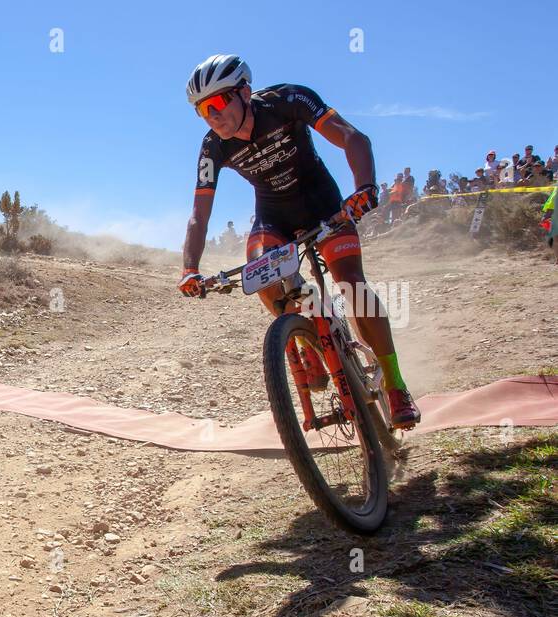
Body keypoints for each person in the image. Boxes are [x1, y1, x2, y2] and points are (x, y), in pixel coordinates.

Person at [177, 53, 420, 427]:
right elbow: (200, 214)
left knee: (352, 286)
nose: (212, 115)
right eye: (201, 110)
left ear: (245, 91)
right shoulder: (213, 147)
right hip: (272, 218)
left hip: (323, 206)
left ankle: (395, 385)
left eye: (218, 103)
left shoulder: (288, 100)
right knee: (265, 277)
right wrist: (189, 268)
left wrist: (365, 188)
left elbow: (353, 137)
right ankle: (310, 341)